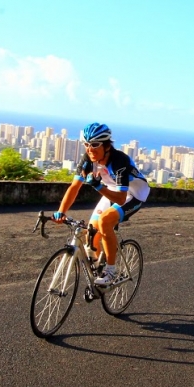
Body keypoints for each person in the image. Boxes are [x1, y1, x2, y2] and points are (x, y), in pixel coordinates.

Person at [54, 122, 150, 286]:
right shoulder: (87, 160)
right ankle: (98, 268)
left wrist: (98, 186)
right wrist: (61, 211)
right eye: (86, 145)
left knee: (105, 221)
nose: (90, 149)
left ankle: (110, 271)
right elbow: (74, 187)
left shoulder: (119, 160)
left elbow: (120, 199)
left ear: (106, 145)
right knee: (91, 231)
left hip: (134, 194)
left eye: (95, 145)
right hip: (112, 189)